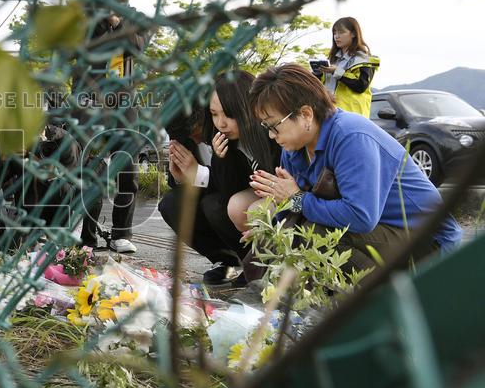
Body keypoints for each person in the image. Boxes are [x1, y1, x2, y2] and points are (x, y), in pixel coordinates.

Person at [248, 63, 462, 275]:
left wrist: (296, 199)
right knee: (278, 242)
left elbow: (360, 216)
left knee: (318, 235)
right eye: (266, 127)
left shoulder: (351, 136)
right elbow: (295, 205)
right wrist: (270, 229)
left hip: (425, 239)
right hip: (376, 231)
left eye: (273, 125)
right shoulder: (294, 148)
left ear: (306, 114)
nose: (271, 135)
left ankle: (381, 301)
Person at [73, 0, 149, 254]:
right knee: (91, 170)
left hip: (123, 103)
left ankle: (121, 233)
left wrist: (117, 20)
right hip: (89, 99)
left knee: (126, 171)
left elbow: (137, 47)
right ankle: (87, 237)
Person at [195, 70, 283, 284]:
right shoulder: (227, 140)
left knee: (255, 211)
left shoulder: (270, 131)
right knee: (232, 205)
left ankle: (272, 269)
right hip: (265, 192)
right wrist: (221, 158)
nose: (221, 123)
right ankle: (252, 265)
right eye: (214, 114)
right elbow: (227, 192)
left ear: (248, 108)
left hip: (290, 192)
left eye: (228, 114)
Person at [157, 103, 247, 283]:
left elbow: (234, 183)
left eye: (197, 133)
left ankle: (252, 262)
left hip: (239, 199)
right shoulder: (184, 134)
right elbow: (183, 183)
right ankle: (226, 260)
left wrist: (199, 173)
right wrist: (181, 178)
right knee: (171, 204)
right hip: (214, 196)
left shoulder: (227, 128)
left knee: (214, 205)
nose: (196, 140)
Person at [315, 17, 380, 118]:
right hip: (328, 115)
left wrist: (337, 72)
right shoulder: (332, 60)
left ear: (354, 34)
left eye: (341, 32)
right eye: (335, 33)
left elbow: (361, 86)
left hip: (352, 117)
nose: (336, 36)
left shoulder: (365, 59)